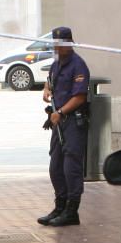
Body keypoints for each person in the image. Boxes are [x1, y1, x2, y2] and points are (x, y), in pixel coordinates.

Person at [37, 26, 91, 227]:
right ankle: (59, 206)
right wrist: (46, 90)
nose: (57, 49)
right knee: (55, 166)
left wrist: (60, 113)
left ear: (69, 43)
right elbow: (50, 81)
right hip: (58, 121)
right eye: (55, 45)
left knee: (71, 167)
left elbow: (79, 97)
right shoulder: (57, 62)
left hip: (72, 122)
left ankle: (71, 211)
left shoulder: (78, 65)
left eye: (60, 45)